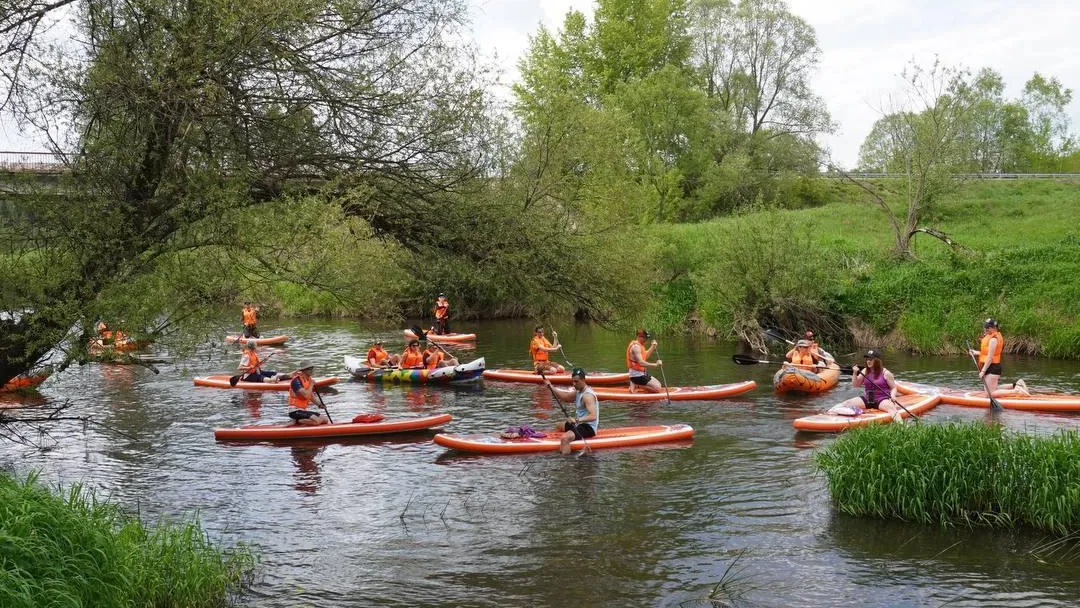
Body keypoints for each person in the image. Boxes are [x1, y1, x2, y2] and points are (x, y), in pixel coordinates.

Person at [826, 349, 903, 422]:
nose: (868, 361)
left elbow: (893, 388)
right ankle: (829, 414)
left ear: (877, 361)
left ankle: (902, 428)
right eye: (867, 359)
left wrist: (893, 396)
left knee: (891, 408)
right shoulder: (865, 371)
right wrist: (855, 373)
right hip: (867, 398)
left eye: (871, 359)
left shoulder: (886, 373)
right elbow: (856, 385)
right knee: (846, 403)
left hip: (881, 399)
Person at [543, 367, 599, 455]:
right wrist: (551, 387)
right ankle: (558, 444)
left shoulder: (587, 396)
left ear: (583, 380)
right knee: (559, 426)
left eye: (576, 381)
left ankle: (567, 463)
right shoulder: (578, 391)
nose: (574, 384)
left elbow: (593, 416)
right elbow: (565, 397)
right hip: (579, 423)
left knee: (564, 438)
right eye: (573, 381)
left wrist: (576, 420)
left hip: (588, 427)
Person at [968, 318, 1029, 397]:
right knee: (993, 389)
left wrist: (983, 371)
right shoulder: (991, 337)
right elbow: (988, 353)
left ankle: (1017, 391)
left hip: (992, 367)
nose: (985, 329)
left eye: (987, 328)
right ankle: (1017, 385)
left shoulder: (993, 339)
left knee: (990, 394)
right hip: (991, 367)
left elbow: (990, 358)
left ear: (993, 328)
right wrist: (976, 352)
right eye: (986, 327)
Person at [288, 361, 329, 426]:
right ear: (303, 370)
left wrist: (319, 405)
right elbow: (306, 395)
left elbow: (311, 396)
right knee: (317, 421)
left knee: (325, 420)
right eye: (309, 368)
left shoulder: (308, 379)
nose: (311, 370)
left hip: (303, 410)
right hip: (294, 411)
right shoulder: (296, 381)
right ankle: (297, 421)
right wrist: (311, 385)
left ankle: (301, 421)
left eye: (312, 368)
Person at [626, 329, 664, 393]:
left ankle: (635, 384)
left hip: (641, 374)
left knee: (659, 385)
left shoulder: (639, 345)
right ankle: (636, 384)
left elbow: (645, 356)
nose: (647, 339)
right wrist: (655, 364)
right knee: (658, 389)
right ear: (639, 337)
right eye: (645, 338)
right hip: (636, 376)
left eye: (647, 338)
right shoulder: (636, 347)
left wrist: (653, 346)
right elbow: (641, 363)